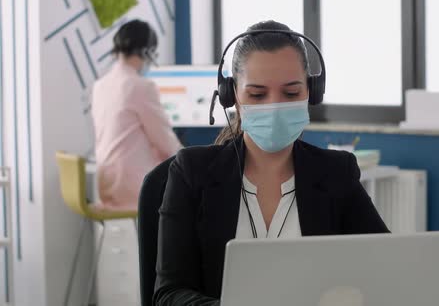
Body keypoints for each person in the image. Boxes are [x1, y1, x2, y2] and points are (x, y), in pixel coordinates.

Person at [153, 20, 388, 305]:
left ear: (311, 93)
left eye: (290, 93)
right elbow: (168, 295)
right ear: (233, 96)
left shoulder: (337, 173)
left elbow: (383, 268)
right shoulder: (192, 171)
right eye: (257, 94)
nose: (274, 106)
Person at [92, 19, 182, 211]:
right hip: (135, 188)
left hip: (106, 185)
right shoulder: (140, 86)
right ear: (147, 52)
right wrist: (191, 159)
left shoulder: (100, 86)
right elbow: (165, 141)